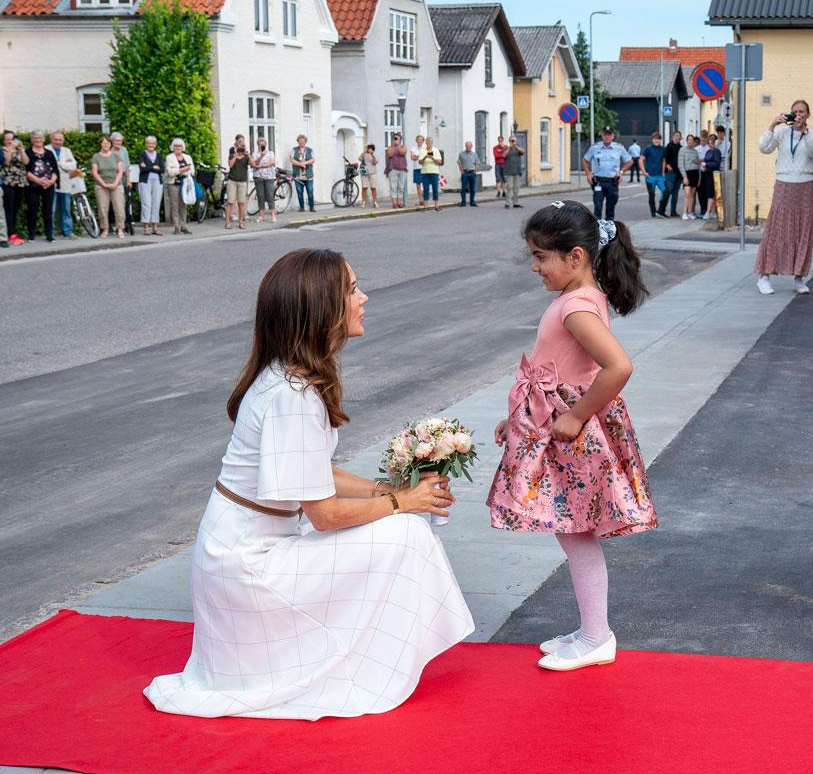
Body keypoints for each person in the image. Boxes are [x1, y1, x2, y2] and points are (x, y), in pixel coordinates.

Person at [144, 248, 474, 718]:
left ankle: (366, 653)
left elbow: (313, 472)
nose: (364, 298)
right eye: (352, 289)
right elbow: (325, 515)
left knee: (400, 526)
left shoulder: (289, 378)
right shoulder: (292, 394)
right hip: (249, 569)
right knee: (404, 535)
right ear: (322, 309)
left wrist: (388, 490)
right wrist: (403, 502)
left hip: (242, 554)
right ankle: (365, 664)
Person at [488, 201, 656, 671]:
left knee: (576, 533)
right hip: (558, 428)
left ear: (576, 257)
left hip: (572, 440)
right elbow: (551, 371)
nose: (535, 266)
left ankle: (598, 636)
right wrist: (518, 416)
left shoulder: (576, 307)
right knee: (572, 531)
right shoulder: (576, 298)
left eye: (542, 256)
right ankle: (589, 629)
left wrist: (577, 415)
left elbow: (618, 367)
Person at [754, 102, 813, 294]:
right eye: (795, 112)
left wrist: (804, 132)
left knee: (803, 232)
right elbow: (764, 148)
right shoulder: (782, 132)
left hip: (806, 184)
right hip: (784, 183)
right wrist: (772, 125)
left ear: (808, 114)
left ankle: (799, 278)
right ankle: (764, 276)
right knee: (775, 229)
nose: (798, 115)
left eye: (802, 112)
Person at [583, 128, 631, 221]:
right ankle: (597, 231)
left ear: (613, 136)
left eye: (609, 135)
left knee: (611, 207)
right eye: (605, 135)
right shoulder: (595, 147)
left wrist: (621, 172)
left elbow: (629, 161)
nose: (607, 137)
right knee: (598, 206)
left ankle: (609, 231)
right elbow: (585, 160)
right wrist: (588, 174)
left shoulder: (619, 148)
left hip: (612, 182)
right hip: (598, 181)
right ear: (602, 135)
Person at [24, 131, 58, 242]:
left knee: (48, 211)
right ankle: (31, 235)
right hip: (32, 186)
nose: (38, 140)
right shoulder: (27, 152)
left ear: (44, 139)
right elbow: (26, 170)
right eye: (35, 138)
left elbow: (55, 170)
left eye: (40, 138)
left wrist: (51, 182)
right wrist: (38, 181)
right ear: (32, 140)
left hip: (48, 186)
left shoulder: (49, 153)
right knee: (32, 210)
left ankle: (49, 235)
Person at [91, 136, 126, 238]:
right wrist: (103, 184)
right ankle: (105, 229)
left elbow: (120, 171)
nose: (105, 145)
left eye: (107, 143)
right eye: (103, 143)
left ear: (111, 144)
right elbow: (95, 172)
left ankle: (120, 229)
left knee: (119, 208)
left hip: (117, 185)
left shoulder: (116, 156)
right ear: (100, 144)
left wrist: (115, 183)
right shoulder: (96, 156)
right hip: (101, 186)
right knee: (103, 208)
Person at [2, 130, 28, 245]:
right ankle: (11, 235)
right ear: (4, 140)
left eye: (11, 139)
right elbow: (6, 162)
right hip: (8, 183)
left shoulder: (20, 149)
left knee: (16, 209)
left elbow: (26, 162)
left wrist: (21, 149)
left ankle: (12, 233)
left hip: (20, 182)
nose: (10, 141)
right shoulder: (2, 150)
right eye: (7, 139)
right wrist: (11, 148)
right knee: (9, 209)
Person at [49, 131, 77, 239]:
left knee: (66, 210)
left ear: (63, 140)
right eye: (55, 139)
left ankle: (68, 232)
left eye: (60, 140)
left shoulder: (67, 151)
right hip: (51, 184)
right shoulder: (47, 149)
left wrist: (60, 164)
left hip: (65, 184)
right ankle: (51, 232)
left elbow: (73, 165)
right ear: (51, 140)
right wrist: (66, 165)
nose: (58, 142)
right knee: (51, 210)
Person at [164, 138, 194, 235]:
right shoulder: (169, 157)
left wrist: (179, 170)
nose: (178, 148)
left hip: (185, 184)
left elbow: (192, 171)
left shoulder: (188, 157)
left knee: (183, 205)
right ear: (173, 147)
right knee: (175, 205)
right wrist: (182, 169)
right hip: (173, 183)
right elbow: (170, 172)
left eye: (180, 146)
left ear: (183, 147)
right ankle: (176, 227)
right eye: (176, 146)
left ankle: (183, 226)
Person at [138, 135, 165, 235]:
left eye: (153, 143)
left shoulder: (159, 155)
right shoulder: (142, 154)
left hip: (158, 181)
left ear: (155, 145)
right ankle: (146, 227)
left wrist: (148, 166)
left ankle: (155, 227)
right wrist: (154, 167)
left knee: (156, 204)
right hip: (145, 181)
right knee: (146, 203)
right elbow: (142, 169)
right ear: (145, 144)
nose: (151, 145)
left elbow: (162, 169)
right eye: (149, 143)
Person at [110, 132, 135, 235]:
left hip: (124, 177)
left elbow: (127, 166)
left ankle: (123, 224)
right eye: (117, 140)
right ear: (112, 141)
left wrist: (128, 180)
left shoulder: (124, 150)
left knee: (124, 202)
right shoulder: (109, 151)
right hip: (113, 177)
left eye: (120, 141)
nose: (119, 142)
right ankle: (113, 224)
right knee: (113, 202)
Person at [225, 135, 251, 229]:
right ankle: (228, 222)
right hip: (232, 180)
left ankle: (241, 222)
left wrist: (248, 155)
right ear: (236, 142)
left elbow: (253, 164)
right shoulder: (232, 151)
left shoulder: (245, 154)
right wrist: (236, 155)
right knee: (230, 202)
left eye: (242, 142)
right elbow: (231, 165)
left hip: (242, 180)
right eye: (239, 142)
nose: (241, 144)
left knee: (241, 202)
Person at [250, 138, 277, 224]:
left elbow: (272, 163)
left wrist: (261, 166)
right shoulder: (255, 153)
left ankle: (273, 215)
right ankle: (261, 216)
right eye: (260, 144)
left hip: (269, 177)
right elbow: (254, 164)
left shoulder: (270, 153)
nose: (262, 145)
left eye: (263, 144)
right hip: (258, 177)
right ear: (258, 145)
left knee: (270, 195)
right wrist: (261, 156)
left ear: (266, 144)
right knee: (260, 196)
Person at [642, 132, 668, 216]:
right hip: (650, 176)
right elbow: (641, 159)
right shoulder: (648, 149)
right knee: (651, 194)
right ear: (652, 139)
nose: (656, 140)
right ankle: (653, 212)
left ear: (660, 140)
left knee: (666, 192)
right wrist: (643, 171)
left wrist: (663, 171)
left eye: (658, 139)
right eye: (655, 139)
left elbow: (663, 160)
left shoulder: (663, 149)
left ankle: (661, 211)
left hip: (660, 176)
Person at [659, 131, 683, 218]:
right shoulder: (669, 146)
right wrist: (667, 166)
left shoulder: (681, 148)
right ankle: (661, 210)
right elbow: (665, 158)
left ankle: (673, 211)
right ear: (673, 137)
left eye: (679, 136)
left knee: (675, 193)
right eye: (676, 136)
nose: (678, 137)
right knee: (667, 191)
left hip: (679, 173)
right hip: (671, 172)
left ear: (681, 138)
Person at [700, 133, 723, 223]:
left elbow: (717, 163)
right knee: (710, 193)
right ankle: (713, 211)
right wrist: (704, 165)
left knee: (710, 193)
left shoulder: (717, 152)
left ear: (714, 143)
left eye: (712, 143)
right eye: (709, 143)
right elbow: (705, 160)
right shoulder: (708, 152)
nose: (711, 145)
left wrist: (707, 164)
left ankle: (708, 212)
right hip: (707, 173)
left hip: (713, 174)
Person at [678, 134, 702, 220]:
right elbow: (680, 164)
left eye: (692, 140)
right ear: (687, 141)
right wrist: (684, 177)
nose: (690, 141)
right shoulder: (682, 150)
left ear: (694, 142)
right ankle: (684, 212)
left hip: (695, 173)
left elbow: (698, 165)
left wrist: (699, 177)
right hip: (687, 173)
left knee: (692, 194)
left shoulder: (695, 151)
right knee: (687, 194)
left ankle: (690, 212)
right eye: (689, 139)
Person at [290, 134, 316, 212]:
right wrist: (300, 164)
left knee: (310, 192)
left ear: (305, 142)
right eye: (300, 141)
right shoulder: (294, 150)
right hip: (298, 176)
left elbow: (313, 160)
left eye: (303, 141)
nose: (301, 143)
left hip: (308, 175)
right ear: (298, 142)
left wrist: (305, 163)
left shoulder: (310, 150)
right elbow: (292, 160)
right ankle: (302, 207)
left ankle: (311, 207)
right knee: (300, 192)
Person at [419, 137, 443, 210]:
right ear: (426, 143)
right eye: (428, 142)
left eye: (430, 142)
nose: (429, 143)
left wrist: (432, 158)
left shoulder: (435, 150)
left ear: (432, 143)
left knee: (435, 189)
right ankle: (425, 206)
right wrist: (425, 157)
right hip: (425, 172)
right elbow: (420, 162)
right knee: (426, 189)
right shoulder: (423, 151)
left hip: (434, 172)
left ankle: (436, 206)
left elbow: (440, 162)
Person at [384, 137, 408, 208]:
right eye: (394, 139)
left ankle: (399, 202)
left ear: (400, 140)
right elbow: (390, 154)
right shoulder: (390, 148)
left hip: (402, 169)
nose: (395, 140)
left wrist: (398, 145)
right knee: (393, 187)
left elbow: (402, 153)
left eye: (397, 139)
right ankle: (394, 203)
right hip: (393, 169)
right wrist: (394, 146)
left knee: (401, 187)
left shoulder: (403, 147)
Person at [503, 137, 525, 209]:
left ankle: (515, 203)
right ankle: (507, 203)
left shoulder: (518, 149)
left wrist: (516, 146)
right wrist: (510, 147)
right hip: (509, 171)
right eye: (512, 140)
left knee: (516, 188)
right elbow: (504, 155)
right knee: (509, 188)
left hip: (517, 171)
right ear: (509, 141)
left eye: (514, 140)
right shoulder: (506, 148)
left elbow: (523, 152)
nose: (513, 142)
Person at [357, 143, 379, 209]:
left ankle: (375, 202)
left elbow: (374, 162)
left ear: (373, 149)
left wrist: (372, 154)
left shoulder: (374, 155)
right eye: (368, 148)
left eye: (370, 149)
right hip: (364, 173)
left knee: (373, 188)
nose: (369, 150)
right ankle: (363, 201)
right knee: (364, 187)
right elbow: (360, 159)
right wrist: (364, 151)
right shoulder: (364, 154)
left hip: (372, 173)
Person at [457, 140, 479, 206]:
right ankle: (463, 202)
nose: (468, 147)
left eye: (469, 146)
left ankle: (472, 202)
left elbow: (477, 163)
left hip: (472, 172)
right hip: (465, 173)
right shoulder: (461, 154)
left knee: (473, 188)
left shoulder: (474, 154)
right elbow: (459, 163)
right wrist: (461, 171)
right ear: (465, 146)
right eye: (467, 146)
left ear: (471, 146)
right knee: (463, 188)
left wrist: (475, 170)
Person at [410, 134, 426, 206]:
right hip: (416, 168)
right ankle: (421, 200)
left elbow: (427, 157)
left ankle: (425, 199)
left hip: (424, 168)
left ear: (423, 141)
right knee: (418, 185)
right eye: (418, 140)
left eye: (421, 140)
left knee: (425, 184)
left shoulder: (425, 148)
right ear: (416, 141)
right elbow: (412, 158)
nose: (419, 141)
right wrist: (420, 156)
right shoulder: (413, 148)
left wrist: (417, 156)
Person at [492, 137, 508, 201]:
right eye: (499, 140)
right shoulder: (495, 148)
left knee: (504, 179)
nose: (500, 141)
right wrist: (502, 154)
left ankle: (504, 192)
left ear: (503, 140)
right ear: (498, 140)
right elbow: (496, 156)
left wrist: (502, 153)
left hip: (504, 164)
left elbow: (507, 155)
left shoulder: (506, 147)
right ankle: (498, 192)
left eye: (501, 140)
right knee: (498, 178)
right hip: (498, 164)